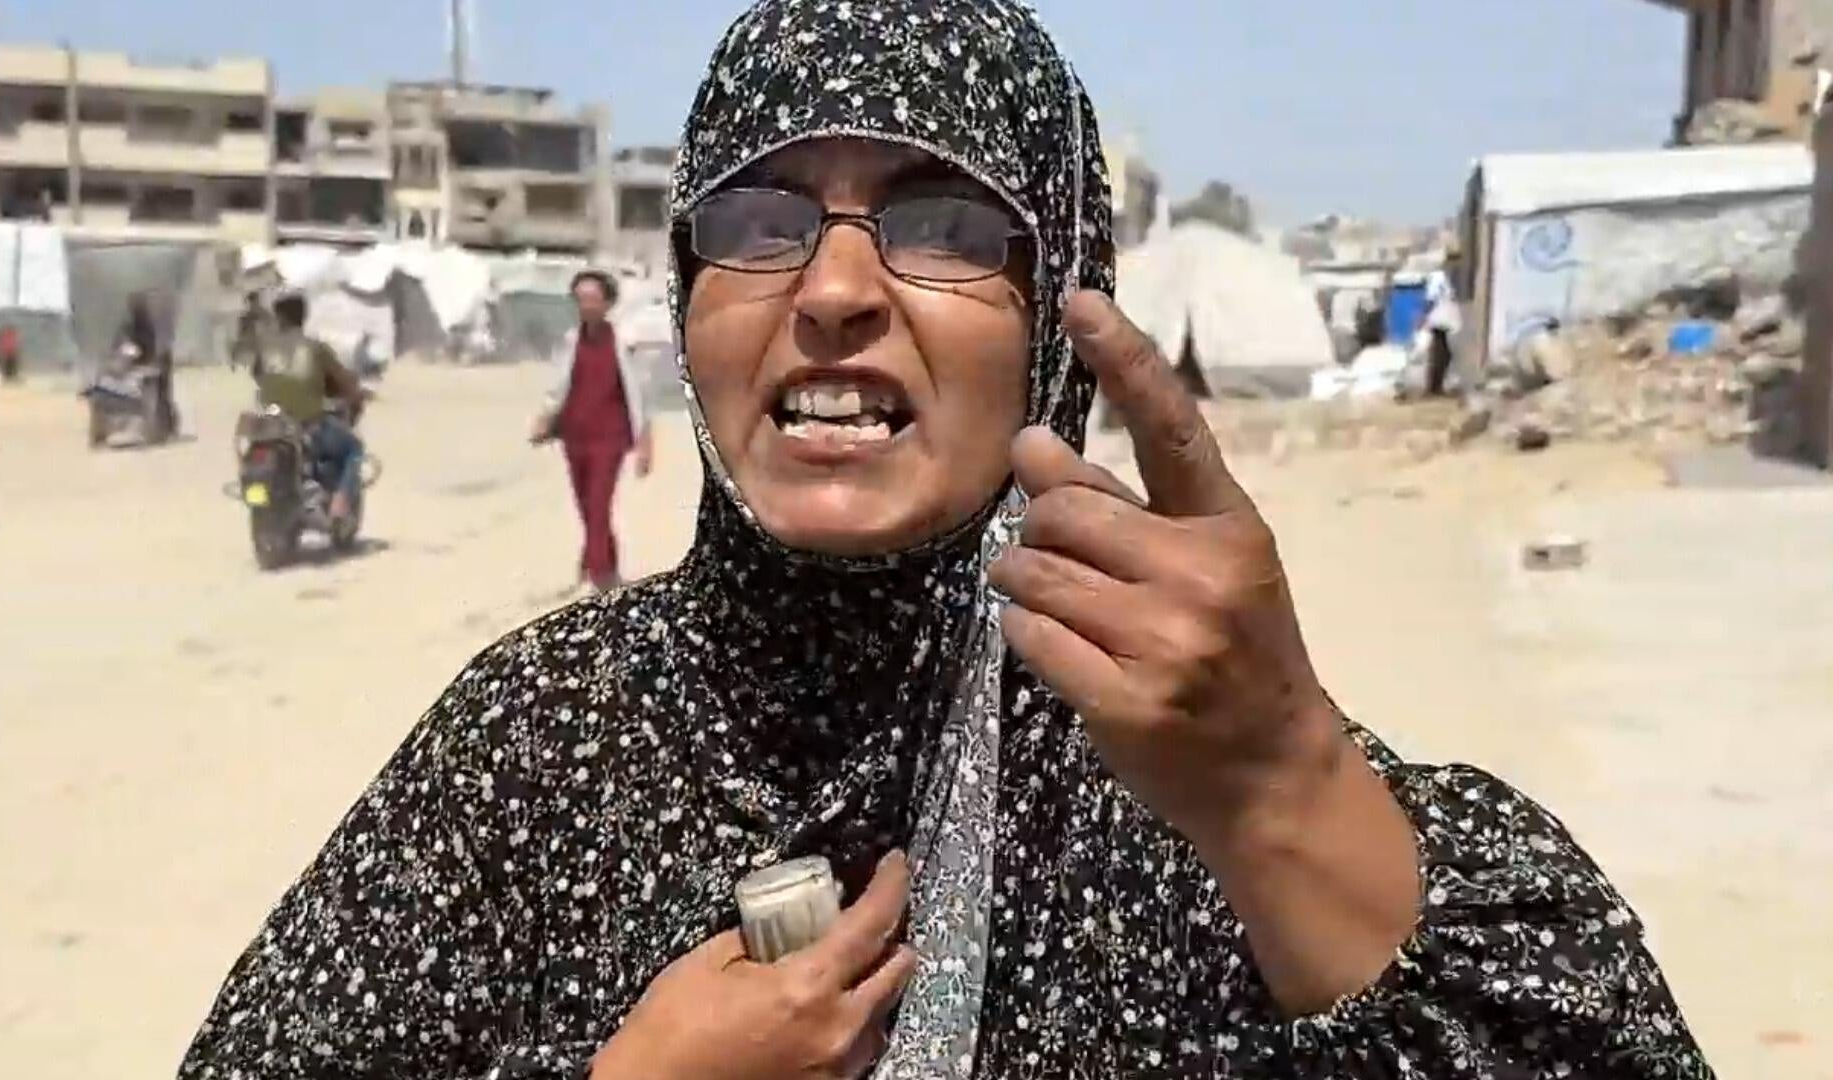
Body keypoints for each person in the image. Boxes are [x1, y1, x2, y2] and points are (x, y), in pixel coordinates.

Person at [179, 3, 1713, 1078]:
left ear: (1057, 314)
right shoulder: (533, 743)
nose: (837, 289)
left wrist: (1288, 788)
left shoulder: (1172, 756)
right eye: (762, 220)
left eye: (943, 225)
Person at [530, 270, 653, 593]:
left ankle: (597, 578)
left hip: (610, 438)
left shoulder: (624, 342)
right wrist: (544, 418)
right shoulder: (571, 340)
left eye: (593, 299)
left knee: (599, 504)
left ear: (608, 303)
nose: (586, 306)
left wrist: (645, 443)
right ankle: (604, 566)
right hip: (575, 436)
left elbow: (640, 395)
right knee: (586, 507)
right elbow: (558, 386)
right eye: (581, 299)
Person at [252, 293, 367, 523]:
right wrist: (357, 395)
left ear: (278, 317)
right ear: (303, 317)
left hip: (270, 426)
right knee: (354, 448)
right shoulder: (316, 348)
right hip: (307, 427)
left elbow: (258, 377)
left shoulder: (265, 348)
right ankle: (339, 504)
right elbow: (345, 384)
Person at [117, 292, 180, 437]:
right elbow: (123, 345)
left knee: (162, 394)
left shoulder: (150, 326)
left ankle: (165, 424)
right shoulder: (130, 327)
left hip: (152, 365)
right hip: (140, 365)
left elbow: (160, 348)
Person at [1422, 251, 1463, 396]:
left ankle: (1436, 385)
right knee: (1440, 354)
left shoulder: (1449, 278)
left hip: (1445, 319)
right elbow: (1430, 298)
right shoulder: (1439, 277)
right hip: (1438, 318)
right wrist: (1424, 316)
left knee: (1444, 354)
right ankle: (1434, 386)